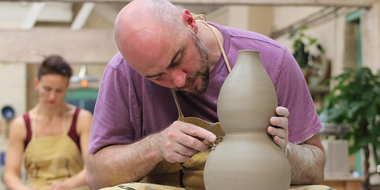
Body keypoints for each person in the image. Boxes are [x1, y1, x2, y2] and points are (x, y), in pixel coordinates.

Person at [86, 0, 327, 189]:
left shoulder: (274, 59)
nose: (178, 81)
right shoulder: (122, 73)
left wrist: (283, 150)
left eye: (178, 59)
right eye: (157, 77)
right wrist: (155, 147)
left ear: (190, 22)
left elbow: (316, 171)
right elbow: (96, 177)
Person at [4, 55, 93, 190]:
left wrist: (68, 185)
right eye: (47, 89)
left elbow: (92, 168)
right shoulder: (21, 125)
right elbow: (10, 174)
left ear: (66, 87)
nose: (52, 96)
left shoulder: (82, 119)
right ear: (37, 84)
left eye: (59, 90)